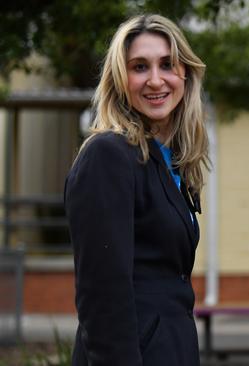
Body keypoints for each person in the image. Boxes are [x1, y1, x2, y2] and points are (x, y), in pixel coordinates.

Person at [64, 14, 209, 366]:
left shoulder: (169, 162)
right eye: (140, 67)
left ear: (184, 75)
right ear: (120, 79)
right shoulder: (108, 155)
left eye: (167, 65)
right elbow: (102, 297)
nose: (155, 80)